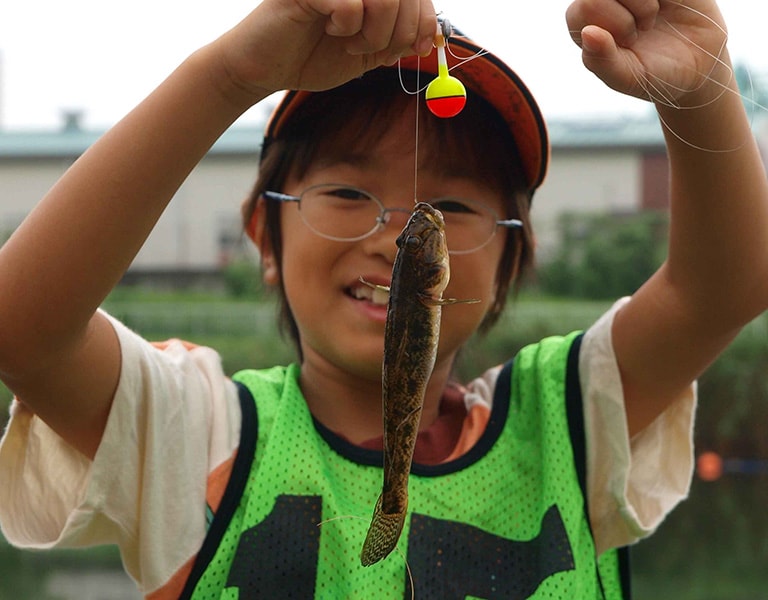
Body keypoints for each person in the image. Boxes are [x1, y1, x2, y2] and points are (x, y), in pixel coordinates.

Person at [1, 0, 766, 597]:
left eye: (454, 209)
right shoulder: (196, 437)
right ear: (263, 238)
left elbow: (724, 286)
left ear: (511, 262)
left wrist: (701, 86)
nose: (393, 231)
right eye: (345, 190)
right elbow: (20, 328)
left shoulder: (569, 418)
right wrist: (230, 76)